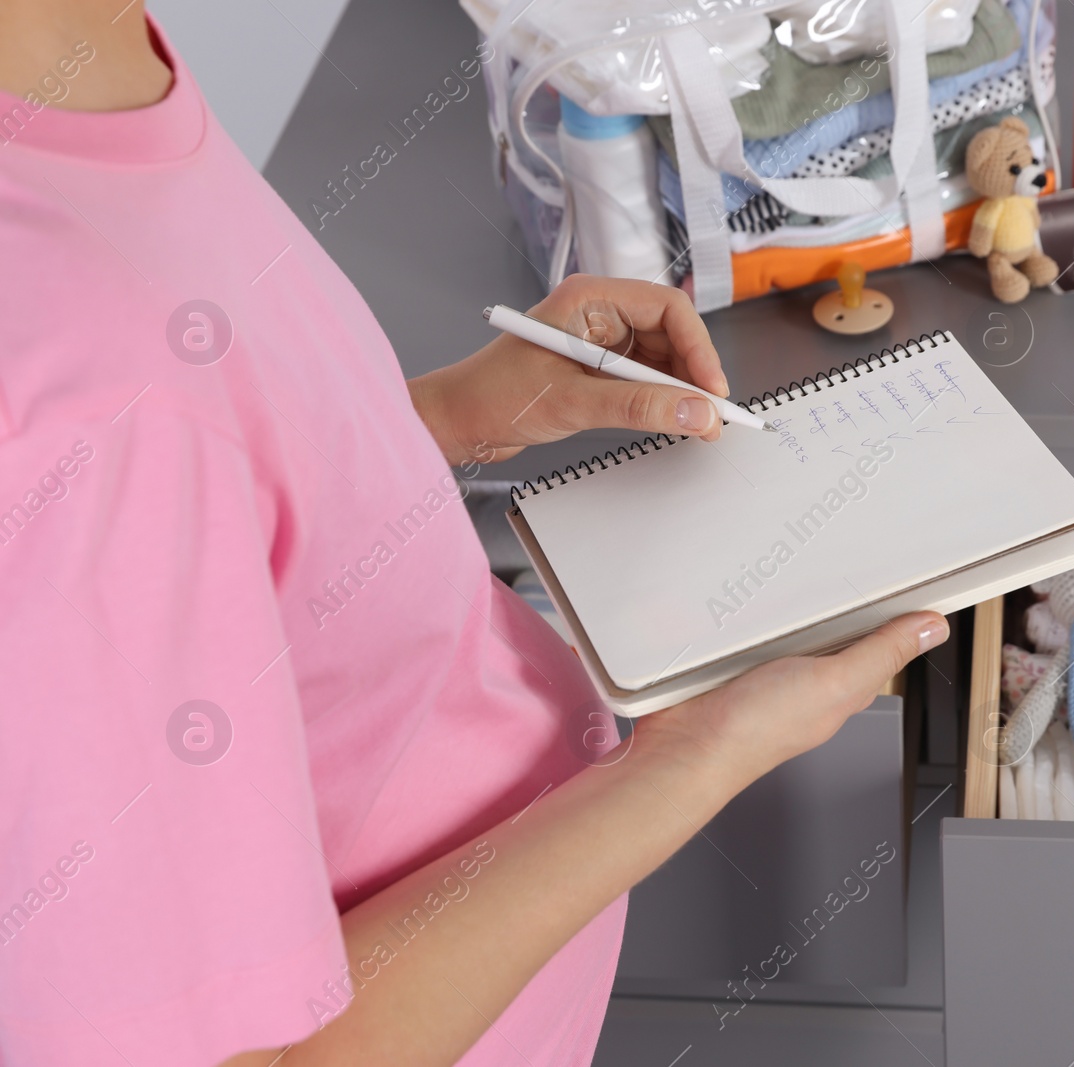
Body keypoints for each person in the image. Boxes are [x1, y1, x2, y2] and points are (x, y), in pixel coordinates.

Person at [0, 5, 948, 1065]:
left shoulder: (93, 72)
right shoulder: (65, 374)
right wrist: (693, 756)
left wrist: (435, 419)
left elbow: (196, 516)